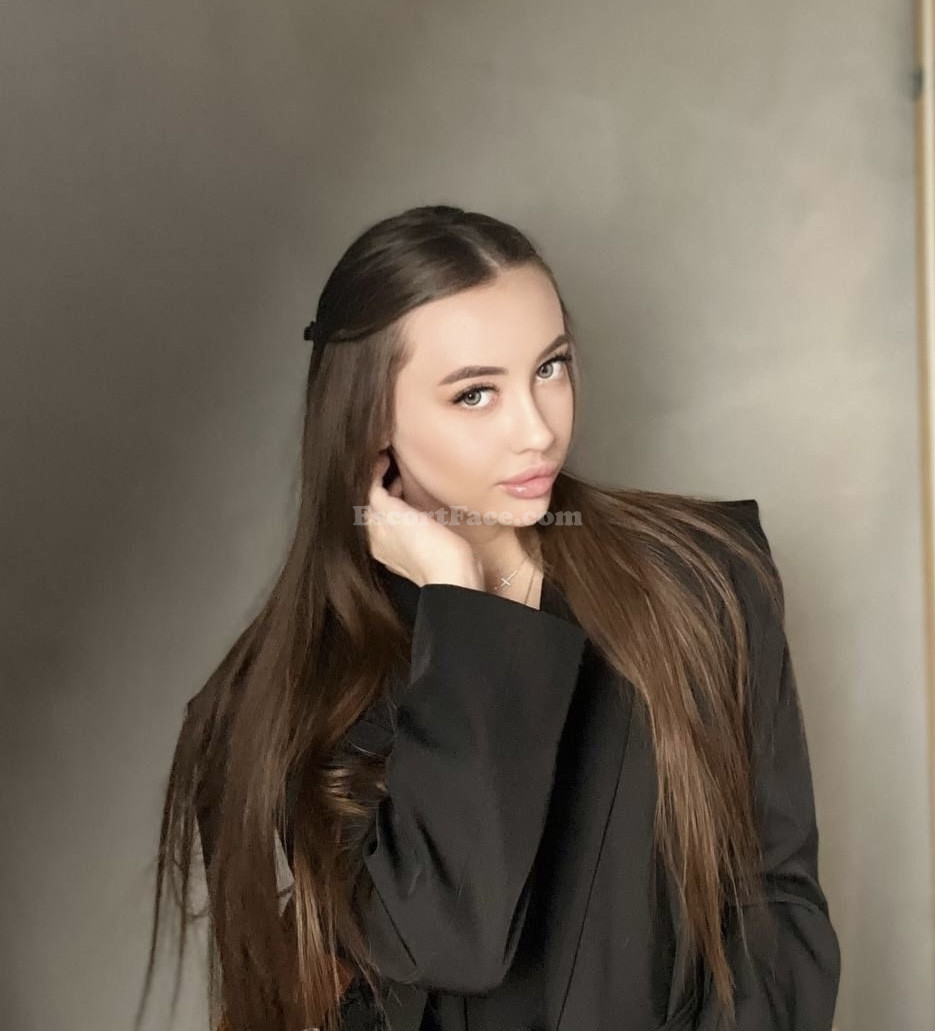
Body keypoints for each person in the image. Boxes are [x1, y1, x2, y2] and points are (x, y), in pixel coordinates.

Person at [136, 204, 840, 1031]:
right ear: (371, 421)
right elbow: (450, 939)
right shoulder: (288, 687)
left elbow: (775, 900)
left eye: (550, 367)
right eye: (475, 394)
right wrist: (459, 601)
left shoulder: (703, 576)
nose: (536, 430)